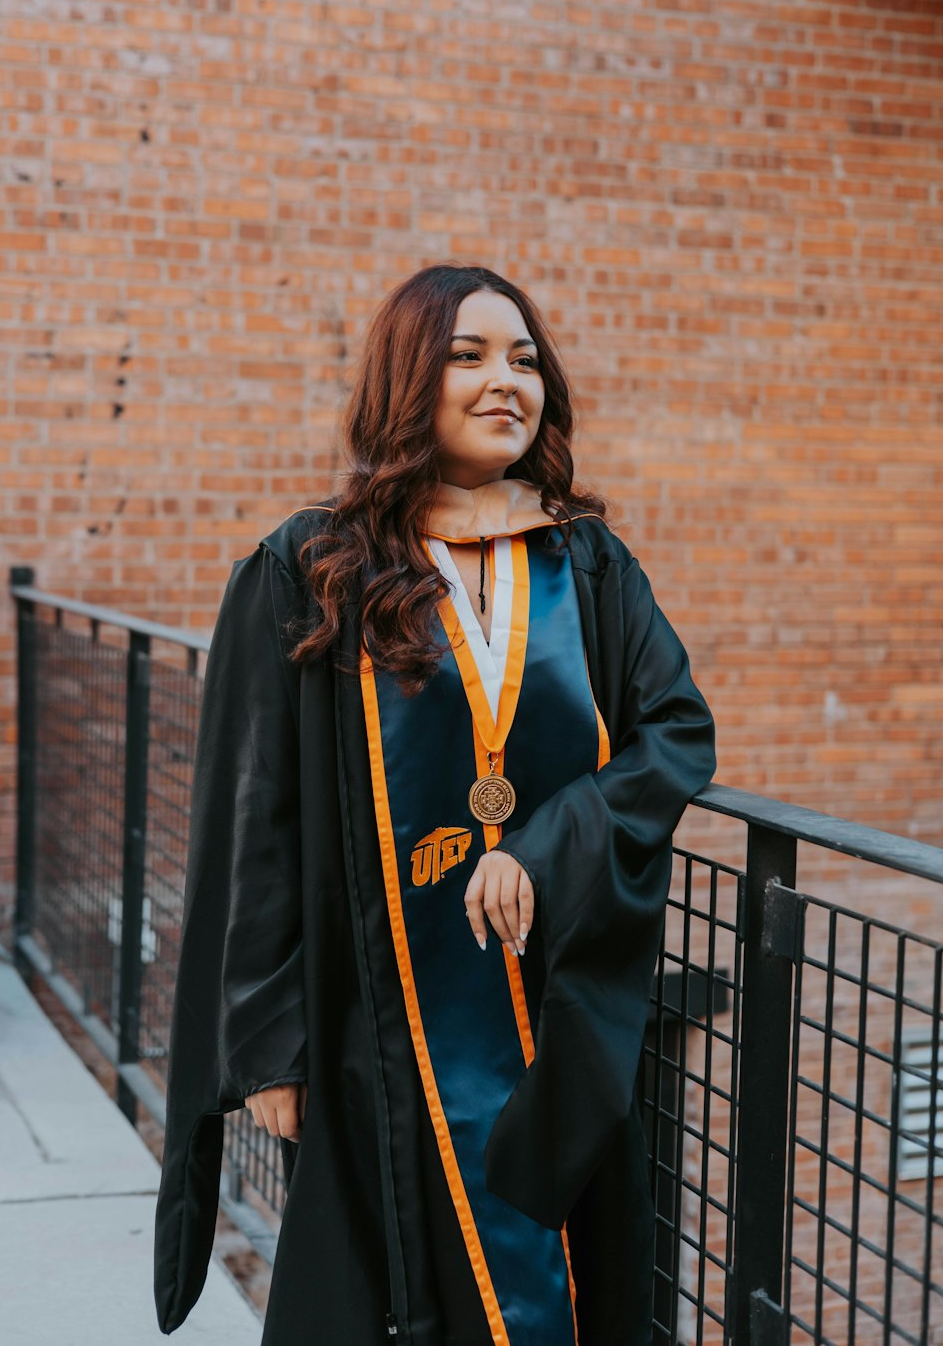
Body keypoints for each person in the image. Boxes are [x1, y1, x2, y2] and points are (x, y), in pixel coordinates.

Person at [153, 263, 716, 1346]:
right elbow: (254, 820)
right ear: (409, 380)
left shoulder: (583, 560)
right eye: (468, 356)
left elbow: (674, 729)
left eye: (523, 359)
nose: (507, 381)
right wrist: (269, 1044)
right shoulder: (311, 564)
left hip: (547, 1012)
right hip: (376, 1023)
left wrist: (550, 845)